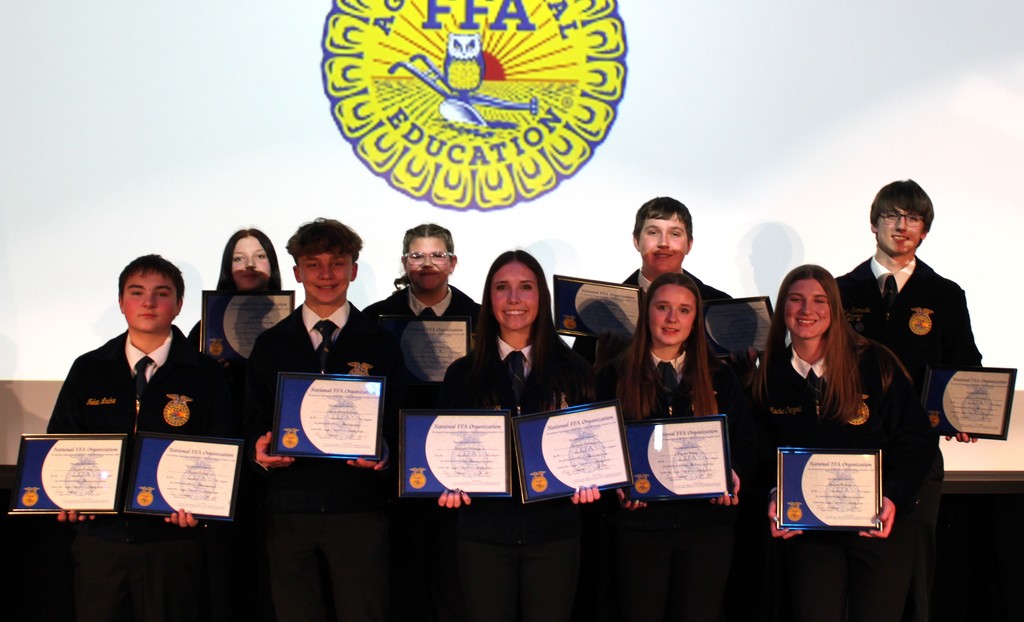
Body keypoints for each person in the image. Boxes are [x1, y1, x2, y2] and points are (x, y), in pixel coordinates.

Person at [48, 254, 237, 622]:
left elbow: (222, 450)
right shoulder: (89, 369)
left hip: (172, 544)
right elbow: (61, 445)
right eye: (137, 292)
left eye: (161, 293)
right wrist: (65, 495)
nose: (148, 302)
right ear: (121, 302)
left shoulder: (206, 375)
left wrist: (202, 508)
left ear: (179, 305)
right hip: (99, 541)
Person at [244, 218, 406, 622]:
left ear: (353, 269)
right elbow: (251, 420)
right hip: (288, 510)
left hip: (358, 509)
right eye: (313, 264)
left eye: (337, 263)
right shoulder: (271, 344)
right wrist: (259, 454)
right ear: (297, 272)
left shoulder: (381, 343)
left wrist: (385, 451)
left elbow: (398, 422)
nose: (326, 275)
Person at [754, 265, 936, 622]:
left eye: (819, 300)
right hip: (810, 535)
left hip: (876, 527)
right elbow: (759, 450)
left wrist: (893, 497)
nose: (807, 310)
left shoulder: (875, 363)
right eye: (796, 300)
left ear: (834, 308)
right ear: (783, 308)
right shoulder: (769, 374)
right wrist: (774, 492)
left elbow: (917, 439)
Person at [836, 180, 982, 622]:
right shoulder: (841, 290)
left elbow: (966, 366)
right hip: (847, 449)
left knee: (914, 565)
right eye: (892, 216)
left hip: (916, 453)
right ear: (874, 222)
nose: (902, 226)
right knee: (845, 566)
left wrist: (966, 411)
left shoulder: (945, 295)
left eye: (913, 219)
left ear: (924, 230)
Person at [436, 250, 600, 622]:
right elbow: (442, 454)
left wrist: (593, 480)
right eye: (502, 288)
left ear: (541, 296)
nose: (514, 299)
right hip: (483, 535)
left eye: (525, 287)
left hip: (554, 534)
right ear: (488, 299)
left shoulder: (576, 370)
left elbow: (593, 448)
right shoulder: (461, 375)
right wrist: (444, 482)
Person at [595, 272, 754, 622]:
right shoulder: (613, 375)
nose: (672, 319)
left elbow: (745, 443)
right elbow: (596, 451)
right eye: (663, 307)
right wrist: (617, 486)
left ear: (695, 319)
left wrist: (734, 475)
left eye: (684, 310)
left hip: (706, 528)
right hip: (638, 530)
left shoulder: (719, 376)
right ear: (646, 311)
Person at [363, 223, 480, 622]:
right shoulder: (375, 319)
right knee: (403, 578)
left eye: (437, 255)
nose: (427, 263)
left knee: (455, 581)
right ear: (404, 262)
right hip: (394, 467)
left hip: (461, 470)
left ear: (453, 263)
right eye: (417, 256)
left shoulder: (480, 319)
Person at [187, 228, 283, 622]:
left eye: (259, 256)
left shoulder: (294, 327)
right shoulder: (201, 333)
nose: (249, 265)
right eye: (239, 257)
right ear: (227, 268)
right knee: (226, 567)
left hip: (277, 466)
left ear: (274, 266)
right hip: (220, 469)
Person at [573, 196, 731, 367]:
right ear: (636, 241)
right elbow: (578, 379)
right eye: (653, 233)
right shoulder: (602, 309)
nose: (664, 243)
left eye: (675, 234)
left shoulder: (720, 305)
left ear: (689, 244)